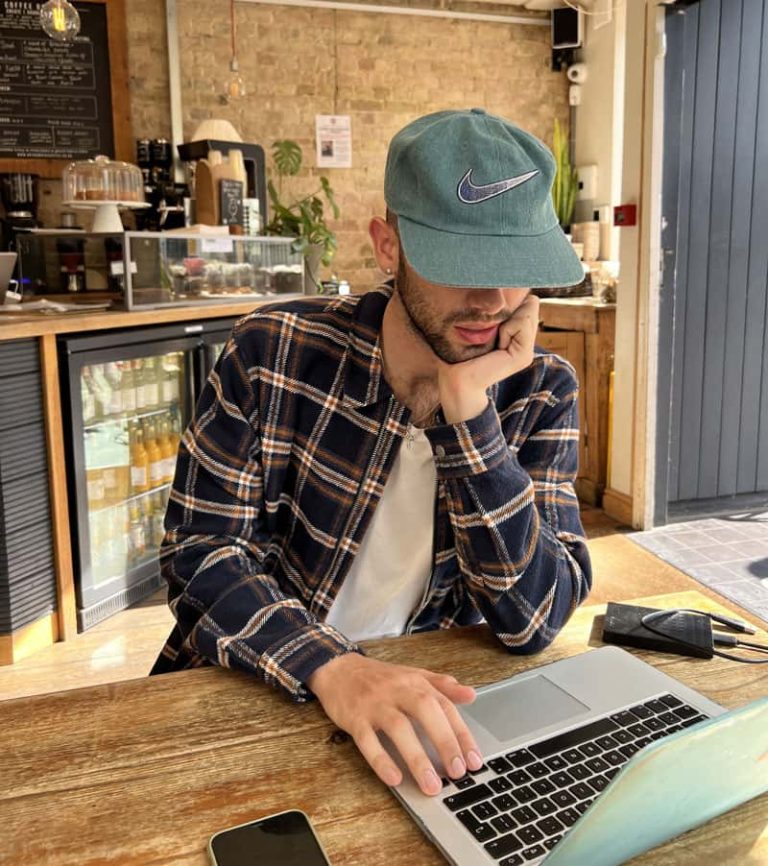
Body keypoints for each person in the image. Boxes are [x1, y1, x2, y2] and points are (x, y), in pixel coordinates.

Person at [152, 108, 592, 799]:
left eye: (516, 268)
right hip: (260, 691)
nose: (493, 300)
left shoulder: (540, 389)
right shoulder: (272, 354)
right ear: (388, 247)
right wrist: (337, 669)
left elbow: (535, 619)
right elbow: (200, 556)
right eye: (463, 265)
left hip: (428, 724)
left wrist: (468, 415)